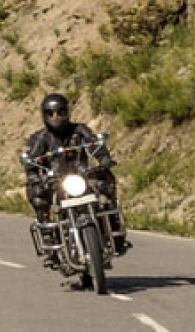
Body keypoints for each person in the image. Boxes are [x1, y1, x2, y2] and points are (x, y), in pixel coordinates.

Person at [22, 92, 128, 255]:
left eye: (60, 112)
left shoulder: (80, 130)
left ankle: (114, 229)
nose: (56, 117)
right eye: (51, 113)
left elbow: (93, 143)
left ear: (67, 112)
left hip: (83, 176)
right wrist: (33, 173)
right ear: (44, 115)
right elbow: (32, 158)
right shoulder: (40, 138)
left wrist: (104, 158)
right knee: (36, 193)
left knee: (106, 183)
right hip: (55, 180)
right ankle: (48, 234)